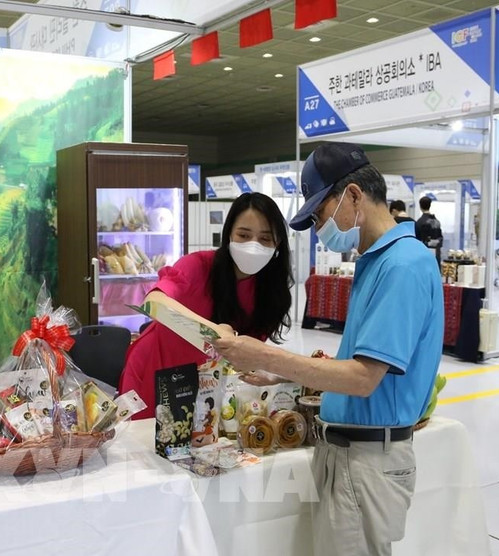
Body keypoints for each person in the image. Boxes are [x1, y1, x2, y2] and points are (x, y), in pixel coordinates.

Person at [213, 143, 443, 556]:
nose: (321, 228)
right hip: (346, 453)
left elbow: (362, 378)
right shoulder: (378, 261)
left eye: (320, 215)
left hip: (367, 460)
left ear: (354, 195)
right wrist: (281, 375)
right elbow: (354, 363)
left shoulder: (402, 266)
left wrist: (264, 355)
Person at [118, 192, 293, 419]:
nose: (253, 246)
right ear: (229, 234)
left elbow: (246, 357)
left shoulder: (271, 293)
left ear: (277, 243)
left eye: (265, 239)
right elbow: (155, 302)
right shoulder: (198, 265)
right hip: (154, 371)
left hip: (207, 385)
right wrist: (215, 332)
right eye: (243, 235)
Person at [415, 196, 443, 263]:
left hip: (424, 254)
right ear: (430, 205)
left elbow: (417, 240)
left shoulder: (420, 222)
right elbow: (440, 238)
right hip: (436, 253)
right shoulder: (437, 221)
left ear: (420, 206)